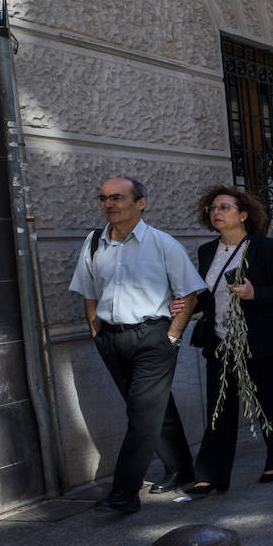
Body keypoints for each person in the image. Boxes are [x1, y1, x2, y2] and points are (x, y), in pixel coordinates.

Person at [69, 177, 206, 512]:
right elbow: (89, 293)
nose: (109, 204)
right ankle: (182, 469)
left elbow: (188, 292)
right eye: (103, 198)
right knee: (155, 408)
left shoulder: (162, 244)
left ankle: (125, 492)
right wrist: (95, 331)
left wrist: (173, 336)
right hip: (111, 340)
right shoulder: (93, 244)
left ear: (141, 203)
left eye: (117, 197)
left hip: (153, 338)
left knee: (142, 414)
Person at [187, 186, 273, 495]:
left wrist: (255, 294)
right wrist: (187, 305)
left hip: (261, 340)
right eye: (212, 208)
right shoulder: (207, 251)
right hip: (220, 340)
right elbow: (205, 295)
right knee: (218, 407)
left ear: (244, 214)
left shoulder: (267, 248)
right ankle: (211, 474)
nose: (216, 212)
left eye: (224, 207)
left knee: (270, 402)